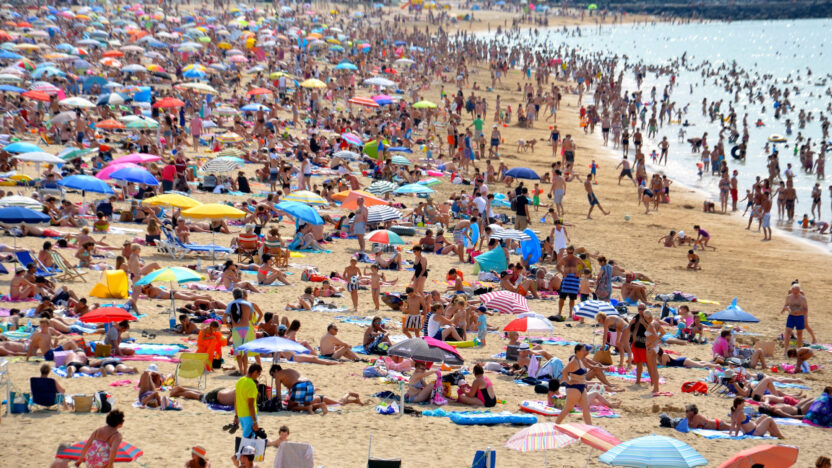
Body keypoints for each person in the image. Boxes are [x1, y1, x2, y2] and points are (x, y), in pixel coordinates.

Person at [555, 344, 592, 424]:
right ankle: (556, 424)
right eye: (583, 350)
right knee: (567, 409)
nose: (585, 352)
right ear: (578, 351)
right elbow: (564, 371)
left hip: (582, 387)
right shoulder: (574, 360)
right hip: (574, 388)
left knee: (586, 408)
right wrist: (568, 381)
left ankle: (590, 427)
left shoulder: (580, 360)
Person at [234, 364, 262, 439]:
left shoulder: (240, 381)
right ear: (255, 372)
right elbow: (250, 405)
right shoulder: (251, 384)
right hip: (249, 416)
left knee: (247, 438)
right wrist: (255, 421)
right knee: (247, 439)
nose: (258, 376)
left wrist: (236, 415)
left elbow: (236, 400)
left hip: (241, 415)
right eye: (259, 374)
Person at [781, 283, 808, 354]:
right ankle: (785, 351)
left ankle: (799, 350)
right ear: (792, 290)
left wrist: (799, 311)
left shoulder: (802, 298)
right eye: (794, 291)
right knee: (788, 332)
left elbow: (806, 309)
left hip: (800, 317)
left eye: (797, 292)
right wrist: (785, 309)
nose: (796, 293)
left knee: (799, 334)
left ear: (799, 291)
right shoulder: (788, 297)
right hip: (791, 317)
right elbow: (786, 305)